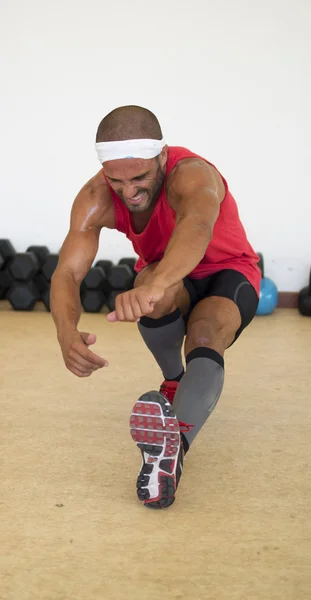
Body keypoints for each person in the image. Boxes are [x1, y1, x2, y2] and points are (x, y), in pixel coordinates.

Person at [50, 105, 261, 510]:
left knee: (203, 329)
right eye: (117, 181)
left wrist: (159, 281)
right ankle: (174, 383)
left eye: (140, 177)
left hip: (228, 272)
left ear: (162, 156)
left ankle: (173, 448)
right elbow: (67, 274)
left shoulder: (194, 174)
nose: (128, 192)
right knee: (150, 287)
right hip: (167, 275)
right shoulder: (96, 197)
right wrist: (65, 331)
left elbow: (196, 227)